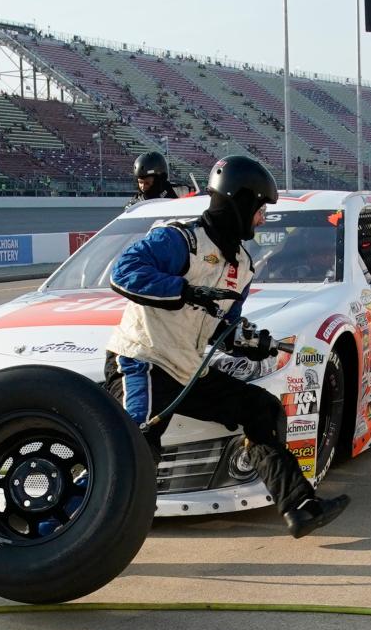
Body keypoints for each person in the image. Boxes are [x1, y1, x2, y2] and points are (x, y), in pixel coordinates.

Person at [104, 155, 350, 539]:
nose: (262, 218)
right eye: (260, 209)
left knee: (260, 408)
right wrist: (184, 290)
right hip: (143, 359)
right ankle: (93, 531)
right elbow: (123, 273)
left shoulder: (244, 265)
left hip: (186, 368)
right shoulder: (179, 239)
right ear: (240, 202)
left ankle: (301, 507)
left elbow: (224, 326)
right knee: (136, 444)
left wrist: (251, 344)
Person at [125, 151, 189, 207]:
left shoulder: (181, 191)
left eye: (147, 183)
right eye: (140, 182)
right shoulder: (135, 203)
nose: (143, 187)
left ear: (159, 180)